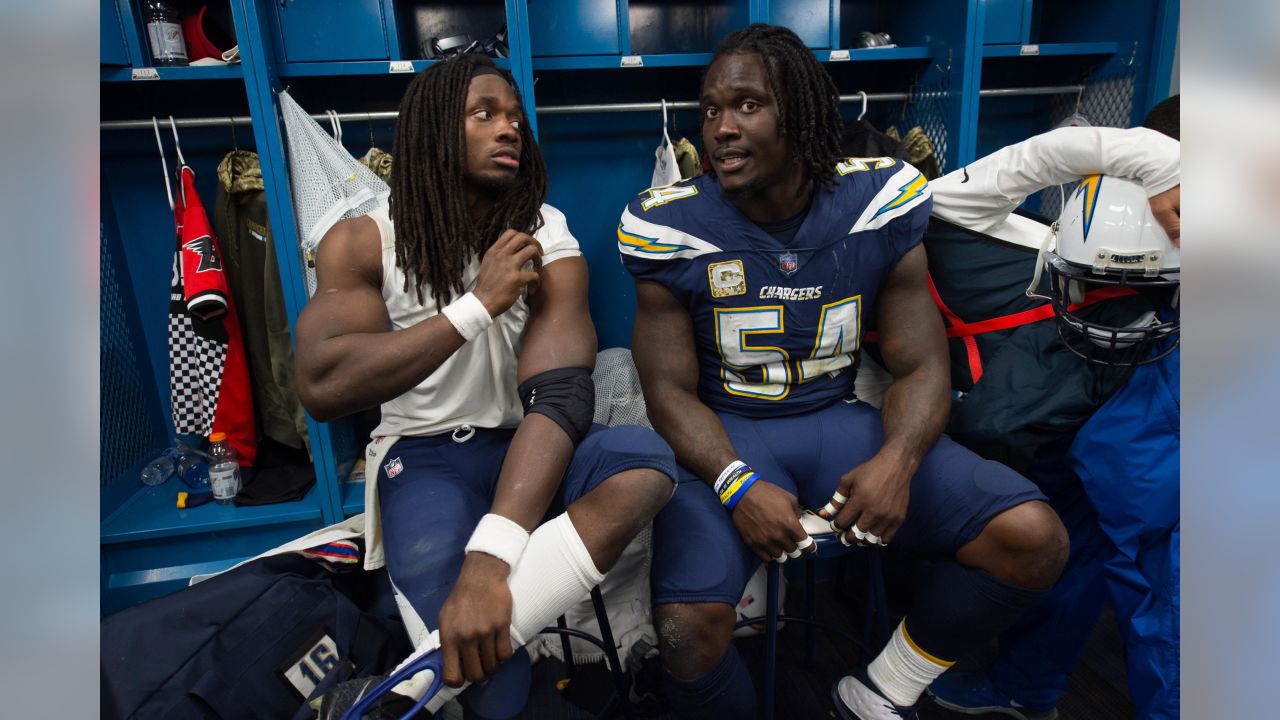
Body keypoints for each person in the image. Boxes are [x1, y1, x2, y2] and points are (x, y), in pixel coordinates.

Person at [618, 24, 1069, 720]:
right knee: (687, 630)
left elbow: (921, 362)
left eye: (746, 105)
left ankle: (880, 689)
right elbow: (667, 391)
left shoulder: (881, 197)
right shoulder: (669, 223)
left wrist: (898, 460)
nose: (720, 129)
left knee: (1032, 539)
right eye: (710, 110)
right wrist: (736, 484)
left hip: (839, 423)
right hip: (728, 434)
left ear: (798, 113)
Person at [294, 54, 676, 719]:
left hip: (530, 445)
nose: (510, 131)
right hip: (425, 458)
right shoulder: (361, 240)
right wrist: (476, 305)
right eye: (485, 114)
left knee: (643, 466)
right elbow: (325, 386)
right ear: (437, 130)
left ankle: (415, 679)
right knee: (499, 693)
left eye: (515, 119)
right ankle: (461, 663)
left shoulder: (542, 230)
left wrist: (490, 563)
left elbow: (562, 395)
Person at [926, 98, 1182, 720]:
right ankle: (1024, 683)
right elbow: (1041, 157)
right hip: (1069, 414)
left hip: (1147, 393)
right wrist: (1168, 163)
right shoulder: (987, 224)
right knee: (1080, 544)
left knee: (1160, 569)